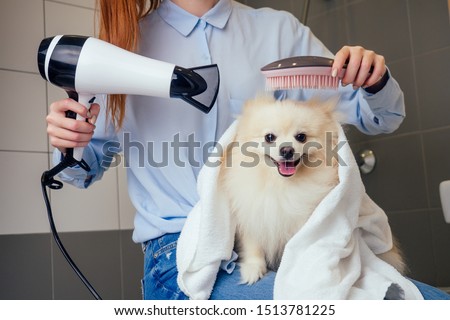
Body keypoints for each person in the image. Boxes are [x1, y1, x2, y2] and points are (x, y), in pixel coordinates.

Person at [46, 0, 449, 300]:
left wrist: (371, 78)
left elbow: (379, 117)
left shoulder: (279, 32)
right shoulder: (121, 50)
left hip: (292, 243)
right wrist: (69, 142)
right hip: (181, 255)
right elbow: (81, 171)